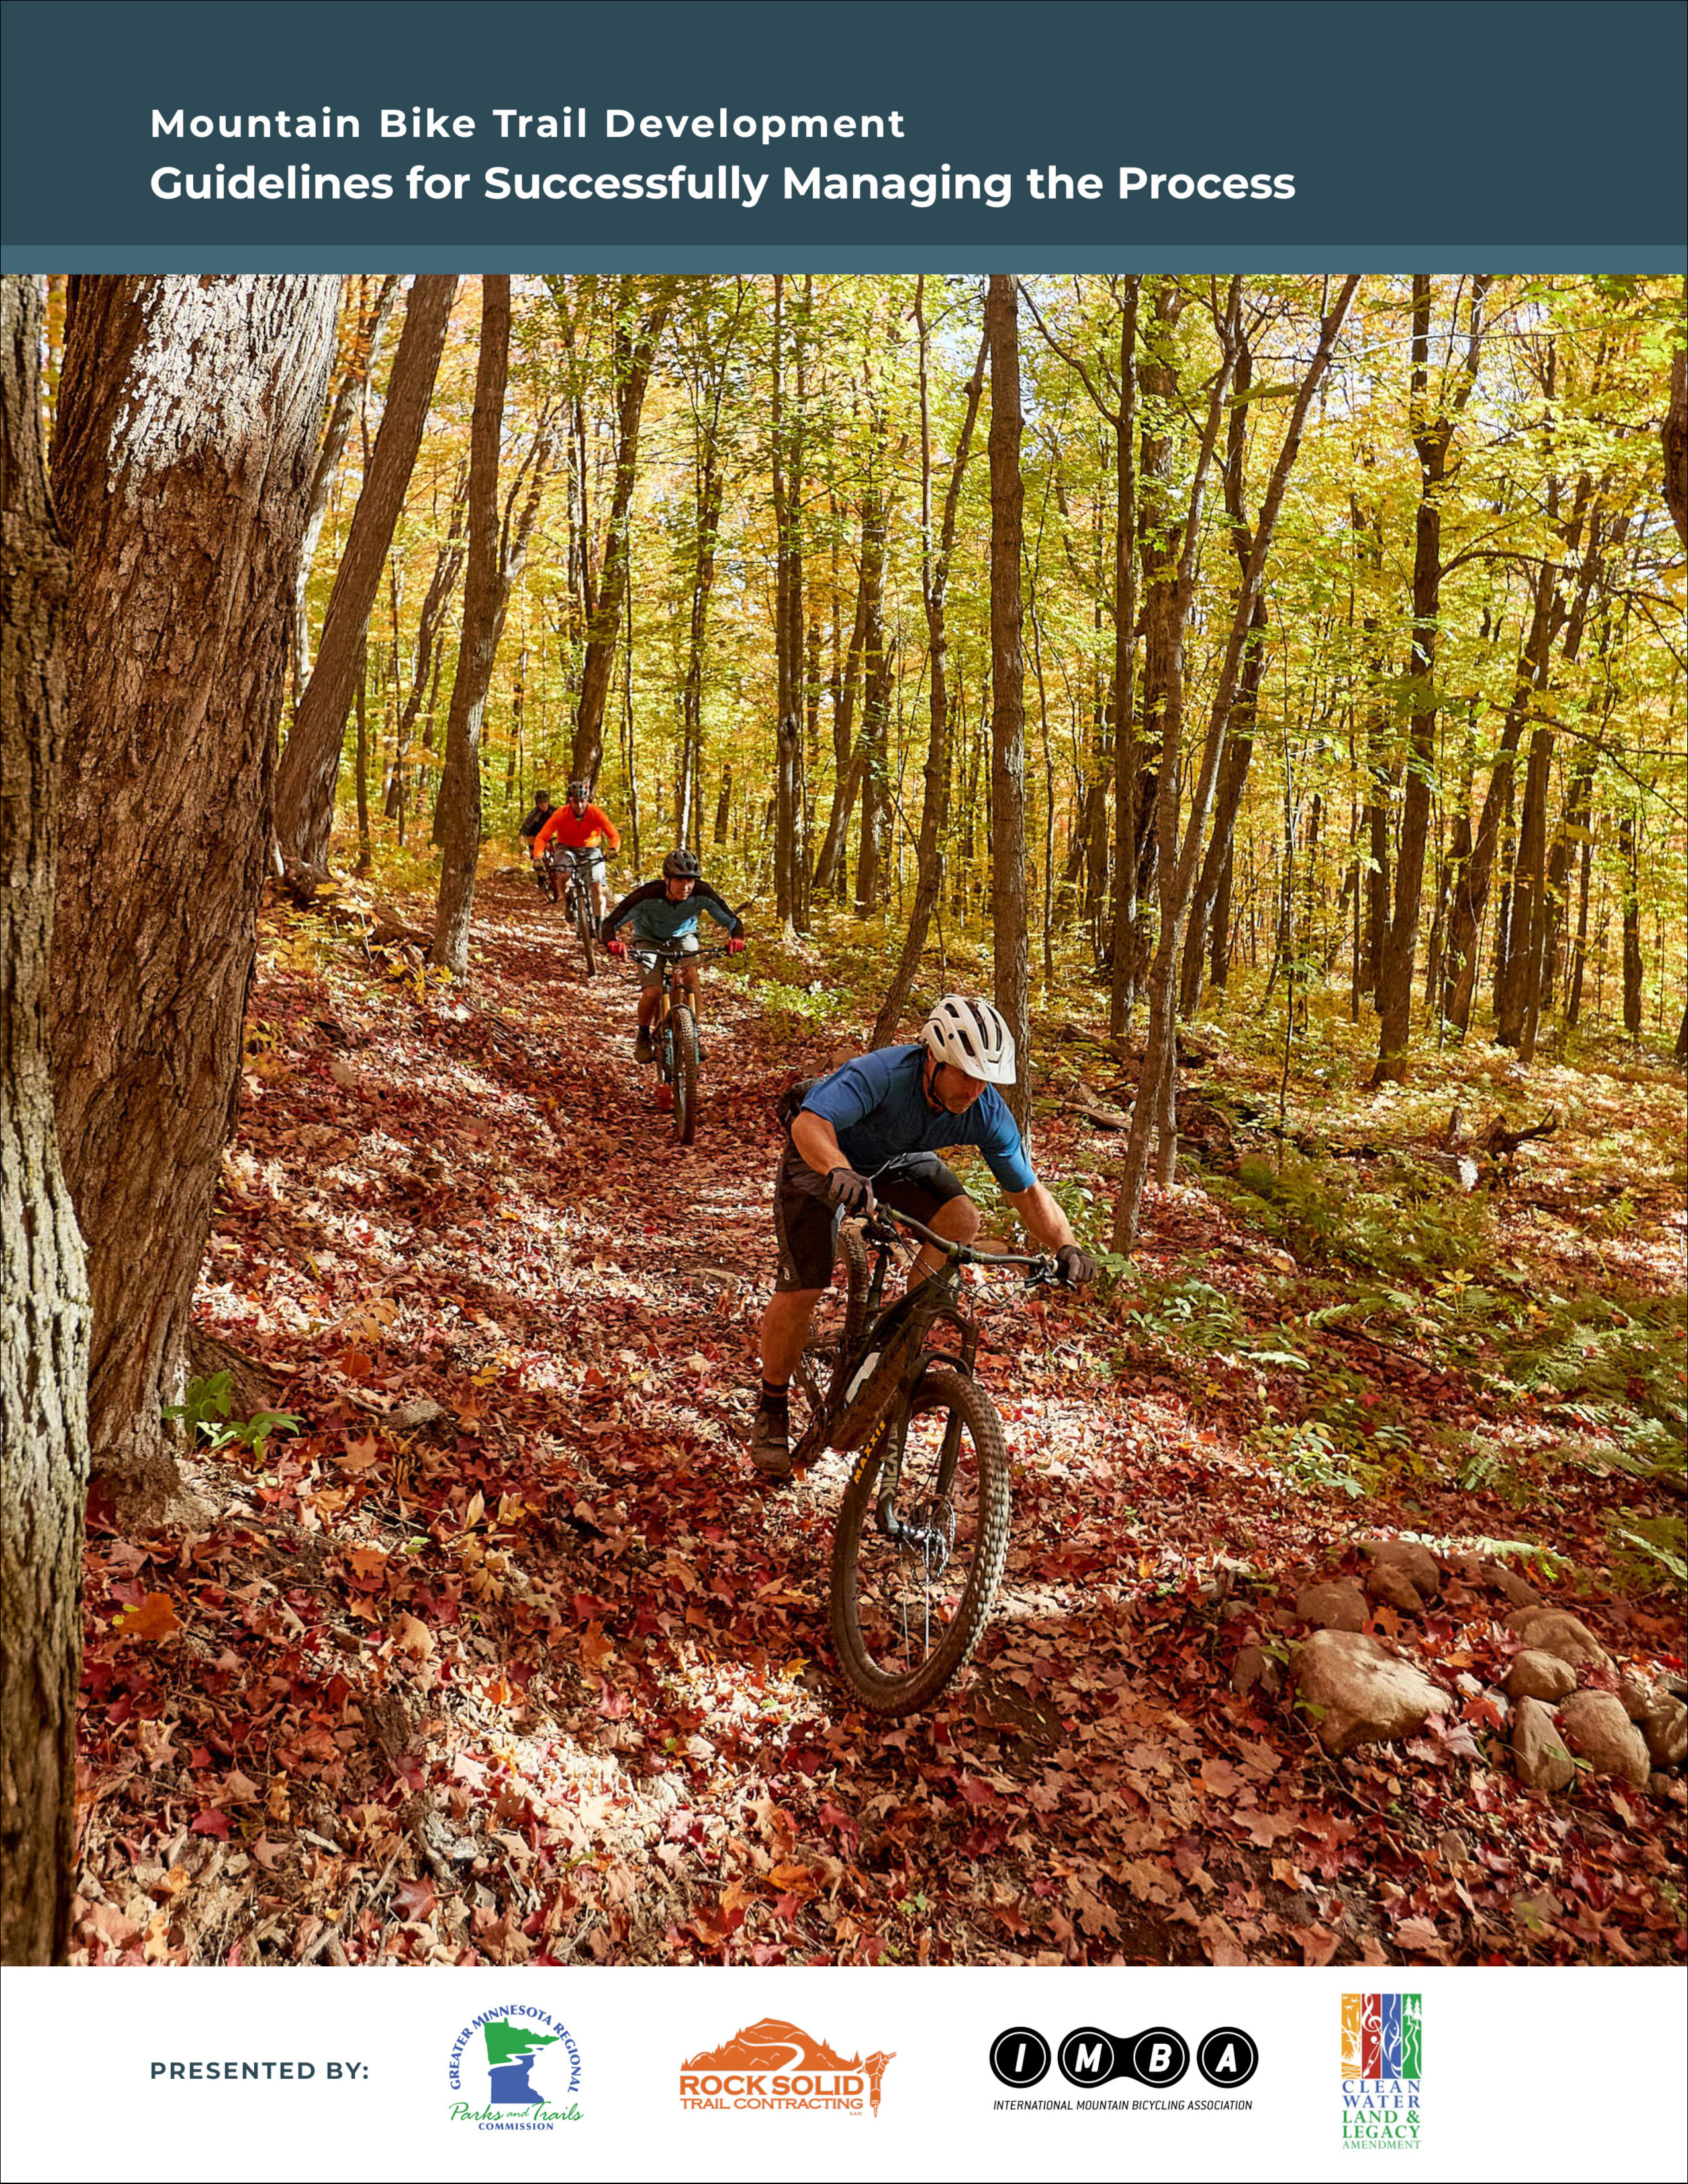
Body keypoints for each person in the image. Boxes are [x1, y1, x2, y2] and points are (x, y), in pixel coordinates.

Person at [750, 994, 1098, 1476]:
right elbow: (810, 1123)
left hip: (895, 1162)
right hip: (824, 1160)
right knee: (804, 1286)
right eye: (966, 1074)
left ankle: (896, 1336)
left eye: (986, 1079)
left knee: (960, 1221)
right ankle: (771, 1406)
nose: (976, 1089)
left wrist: (1067, 1244)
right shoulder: (882, 1075)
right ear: (933, 1059)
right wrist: (839, 1170)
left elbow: (1028, 1191)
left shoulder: (986, 1111)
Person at [602, 848, 745, 1062]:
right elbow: (610, 922)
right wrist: (612, 941)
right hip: (648, 940)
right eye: (679, 880)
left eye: (690, 881)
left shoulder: (702, 893)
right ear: (666, 879)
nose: (685, 887)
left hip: (683, 937)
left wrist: (737, 938)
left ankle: (692, 1035)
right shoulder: (647, 895)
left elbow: (732, 920)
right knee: (653, 991)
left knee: (690, 977)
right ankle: (643, 1036)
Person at [533, 778, 622, 924]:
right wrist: (537, 857)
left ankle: (599, 922)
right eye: (576, 802)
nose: (579, 805)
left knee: (596, 885)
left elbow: (614, 835)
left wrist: (613, 849)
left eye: (583, 801)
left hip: (591, 850)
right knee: (564, 875)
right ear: (570, 800)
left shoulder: (596, 813)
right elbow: (542, 838)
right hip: (566, 848)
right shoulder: (561, 813)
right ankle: (567, 901)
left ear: (587, 800)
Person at [518, 787, 554, 891]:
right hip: (533, 836)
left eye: (545, 802)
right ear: (537, 804)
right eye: (541, 803)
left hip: (546, 835)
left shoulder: (553, 810)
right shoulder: (534, 815)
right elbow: (524, 828)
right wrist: (521, 838)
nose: (544, 806)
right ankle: (541, 880)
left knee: (555, 851)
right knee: (537, 859)